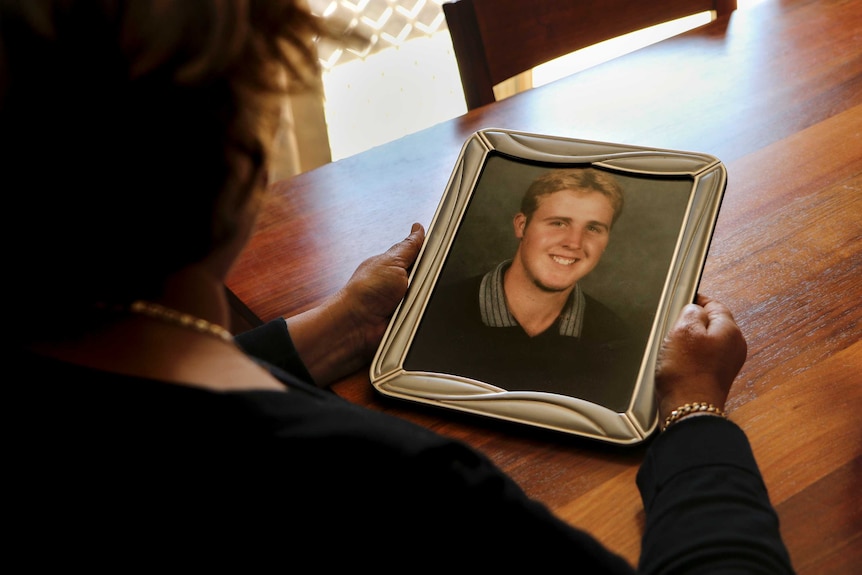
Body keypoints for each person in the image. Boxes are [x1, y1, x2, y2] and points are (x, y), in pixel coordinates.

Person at [2, 1, 794, 572]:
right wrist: (695, 414)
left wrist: (339, 326)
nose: (573, 243)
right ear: (236, 161)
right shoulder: (401, 492)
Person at [406, 168, 639, 409]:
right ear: (522, 225)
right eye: (559, 223)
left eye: (593, 228)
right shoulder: (434, 311)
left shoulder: (617, 341)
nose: (574, 242)